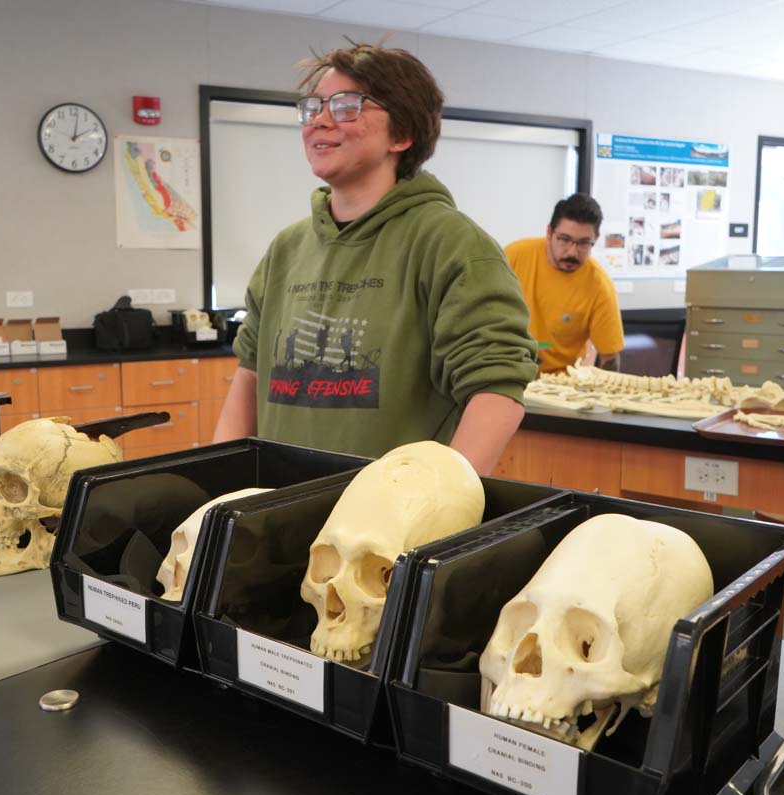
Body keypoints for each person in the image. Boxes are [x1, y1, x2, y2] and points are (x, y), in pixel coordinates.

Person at [213, 43, 537, 475]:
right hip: (276, 510)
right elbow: (251, 376)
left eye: (347, 106)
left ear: (401, 135)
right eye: (313, 108)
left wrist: (435, 506)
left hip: (389, 528)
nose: (320, 121)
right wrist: (219, 489)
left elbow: (497, 392)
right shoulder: (286, 250)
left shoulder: (452, 243)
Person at [505, 194, 624, 374]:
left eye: (584, 243)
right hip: (506, 371)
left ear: (596, 239)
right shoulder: (515, 256)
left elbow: (610, 358)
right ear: (549, 232)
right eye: (564, 239)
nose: (572, 252)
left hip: (560, 386)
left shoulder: (599, 286)